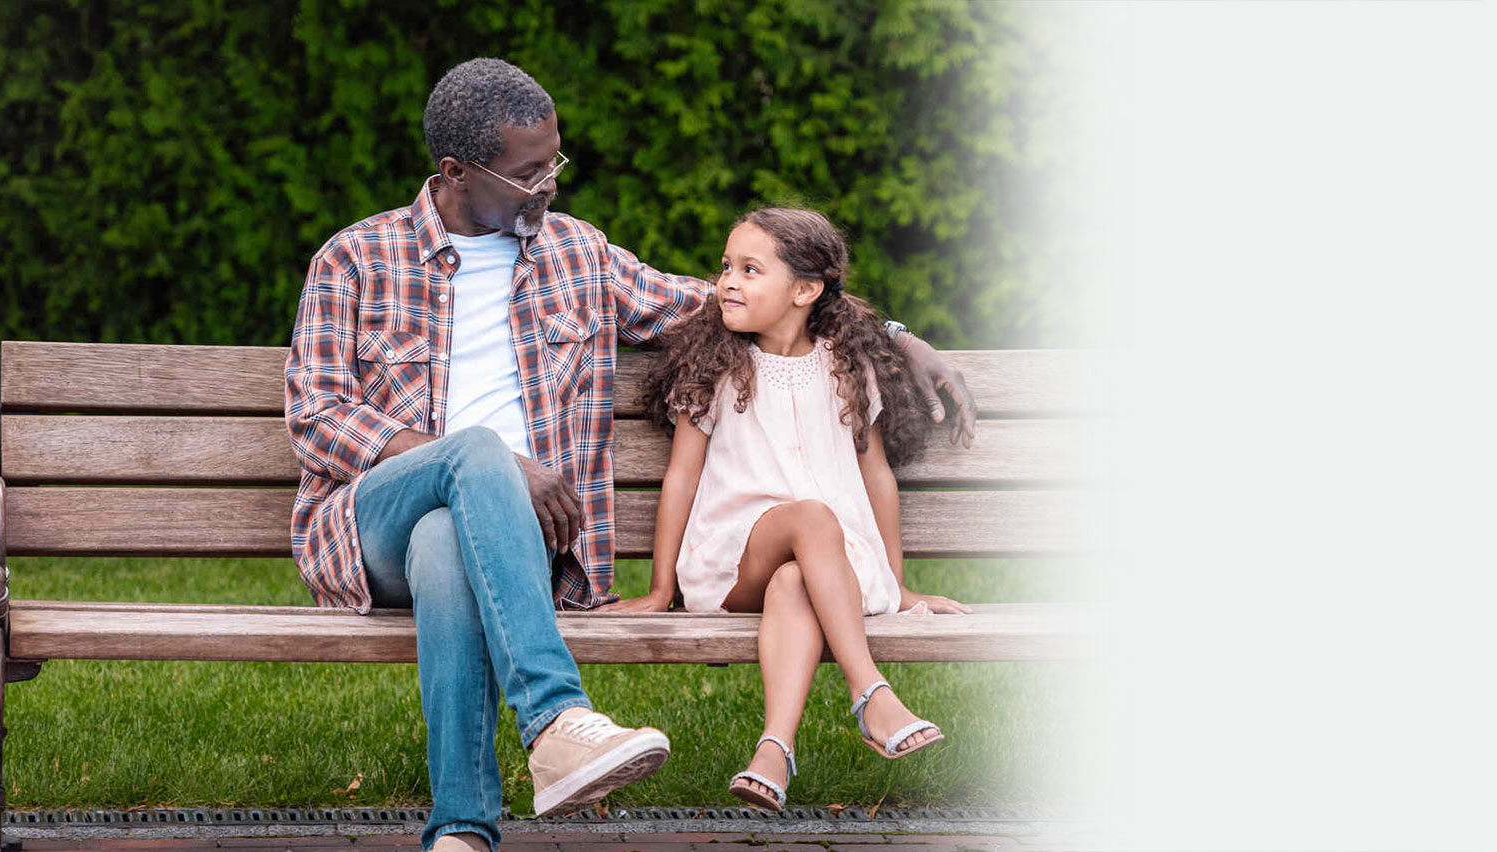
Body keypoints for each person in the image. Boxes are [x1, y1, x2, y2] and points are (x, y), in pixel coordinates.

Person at [283, 58, 977, 852]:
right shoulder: (355, 260)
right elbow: (317, 415)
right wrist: (484, 463)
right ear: (455, 173)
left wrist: (892, 333)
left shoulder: (580, 255)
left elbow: (748, 295)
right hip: (375, 525)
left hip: (511, 540)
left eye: (555, 161)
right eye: (528, 172)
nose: (549, 184)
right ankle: (557, 718)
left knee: (451, 543)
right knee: (474, 456)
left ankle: (461, 831)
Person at [601, 208, 970, 811]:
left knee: (798, 576)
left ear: (805, 290)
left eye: (750, 269)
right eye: (725, 267)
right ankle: (869, 692)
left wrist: (897, 587)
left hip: (831, 565)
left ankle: (773, 750)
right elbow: (682, 476)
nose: (727, 282)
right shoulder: (715, 364)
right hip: (732, 560)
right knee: (810, 516)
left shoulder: (846, 366)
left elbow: (875, 476)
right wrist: (659, 585)